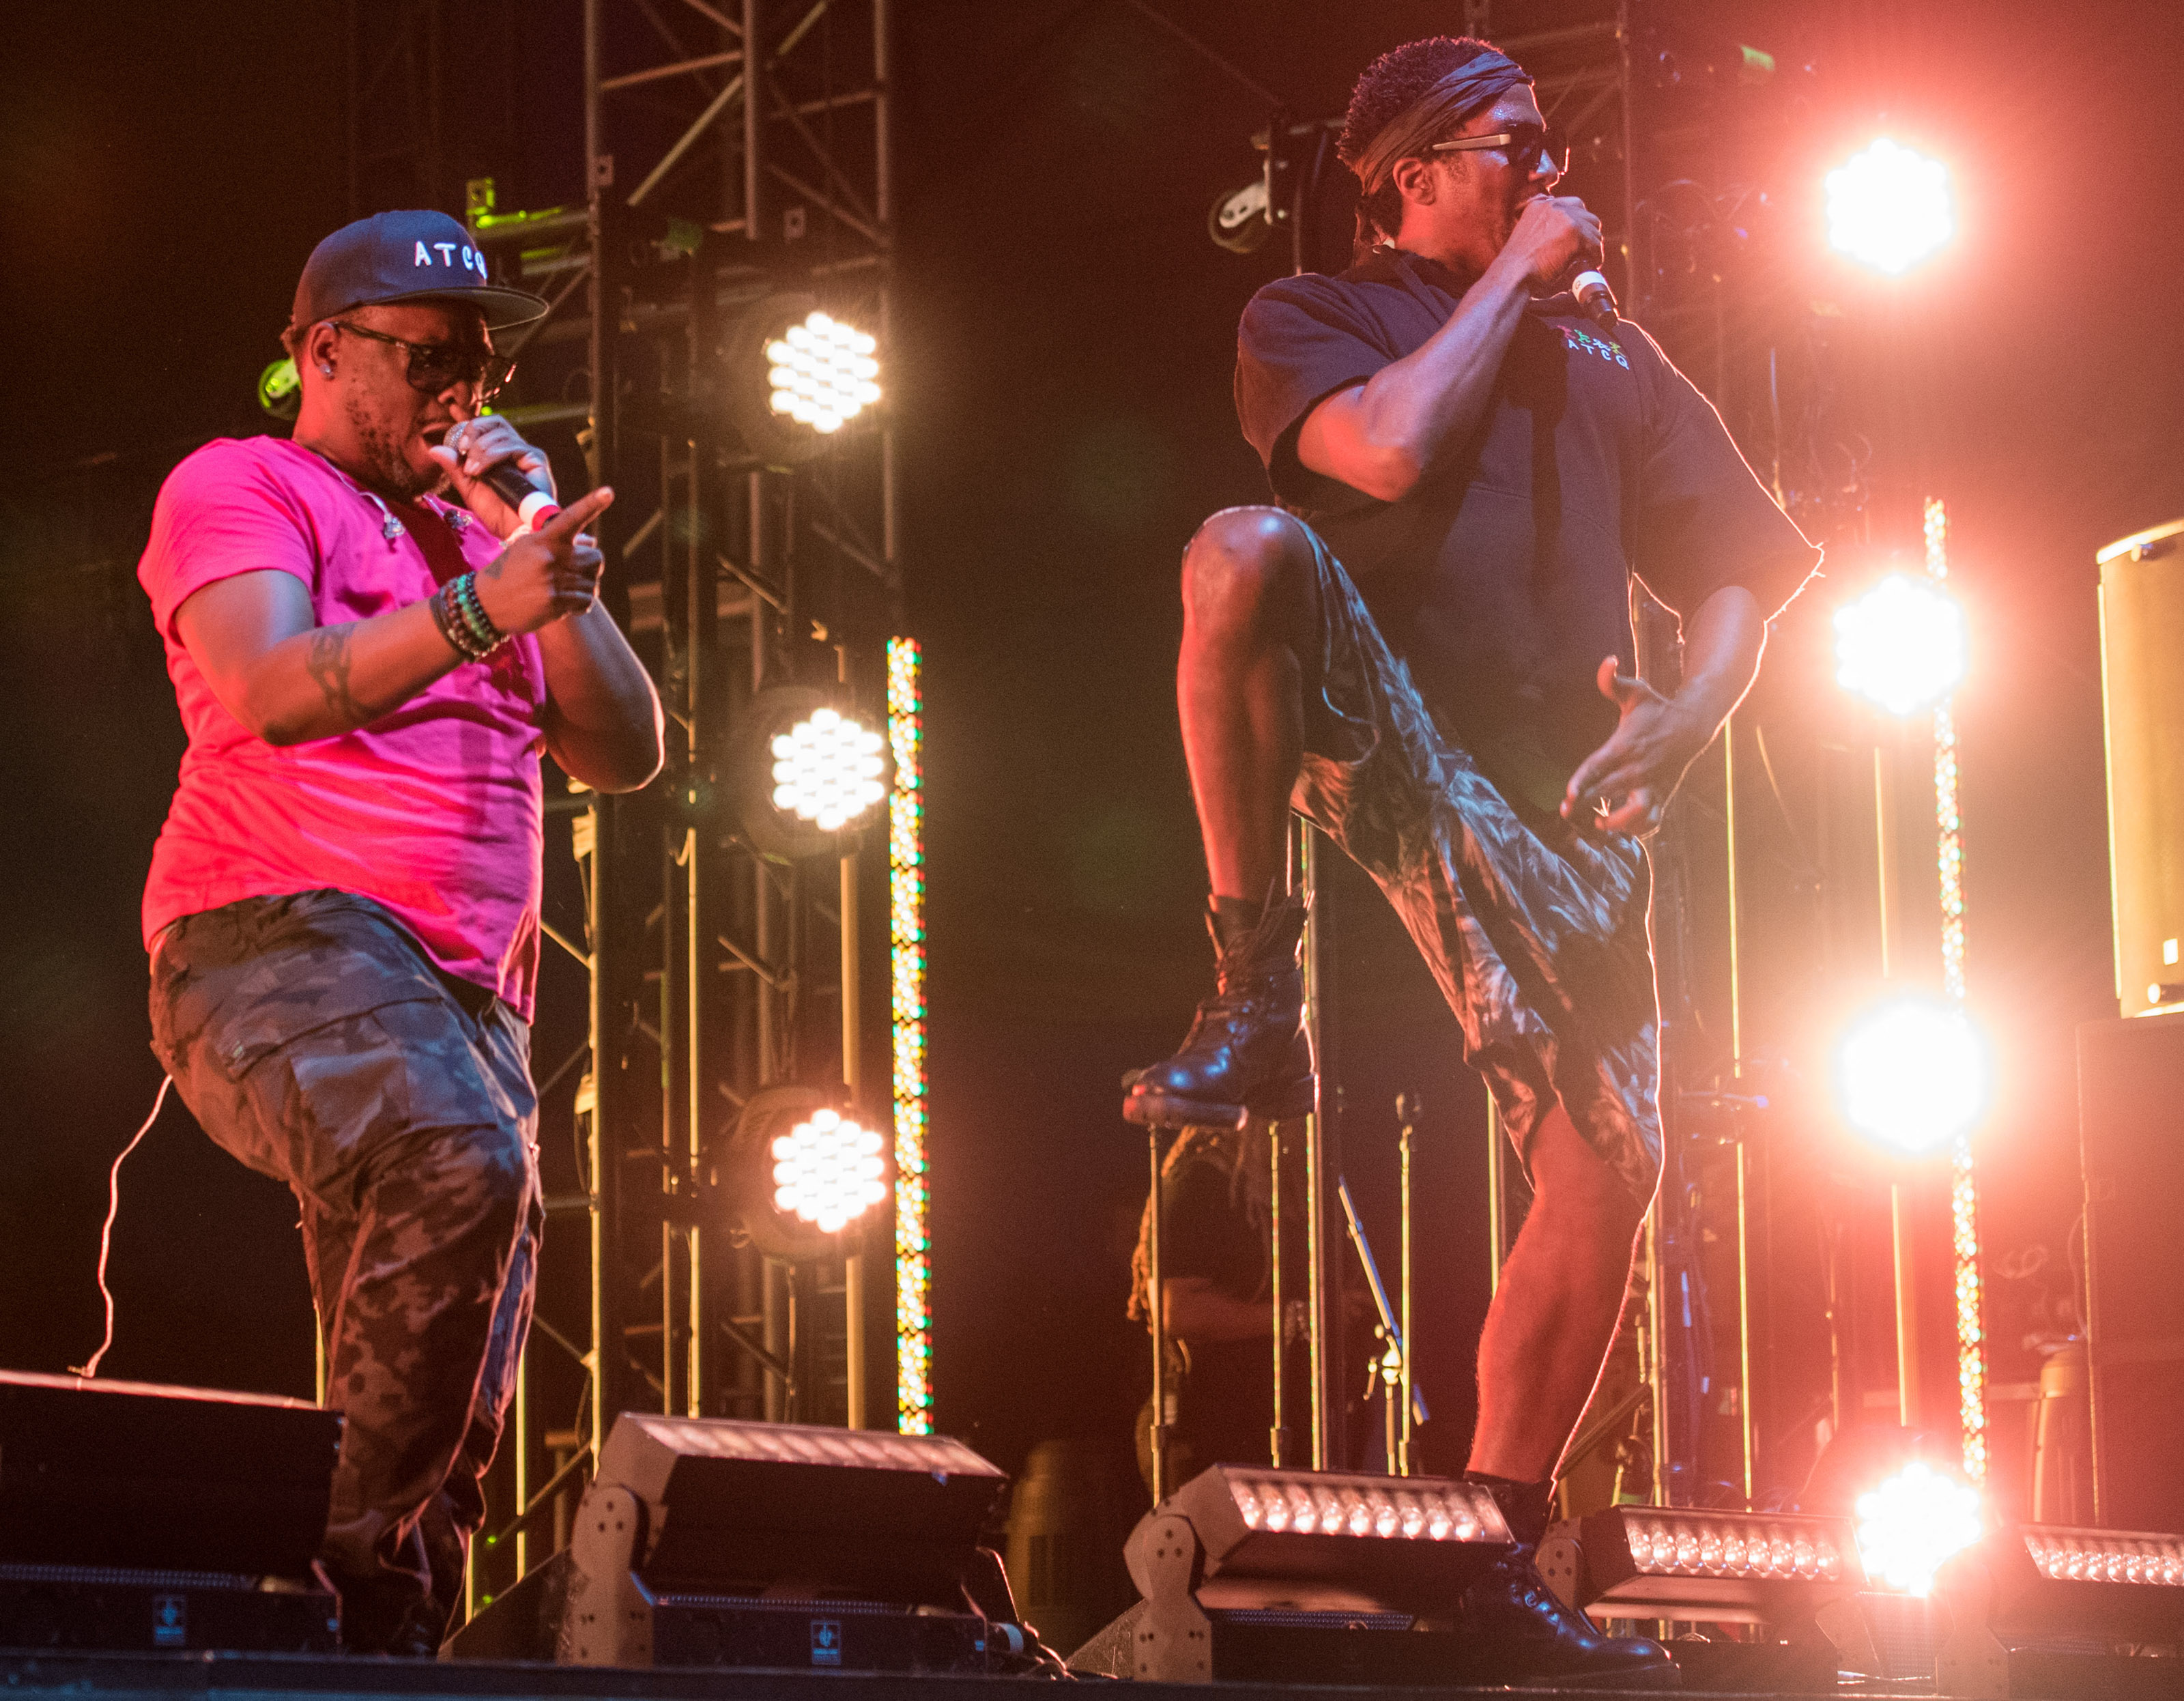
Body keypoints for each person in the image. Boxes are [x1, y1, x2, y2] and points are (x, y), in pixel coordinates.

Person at [1123, 36, 1818, 1685]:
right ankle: (1253, 990)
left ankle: (1494, 1543)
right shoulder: (1317, 314)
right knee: (1241, 546)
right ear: (1413, 173)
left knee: (1613, 1161)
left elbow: (1745, 565)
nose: (1550, 172)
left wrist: (1691, 714)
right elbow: (1379, 456)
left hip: (1556, 782)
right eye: (1515, 145)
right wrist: (1514, 275)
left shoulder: (1613, 353)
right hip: (1386, 717)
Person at [136, 210, 663, 1655]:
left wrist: (532, 554)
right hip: (271, 939)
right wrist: (479, 607)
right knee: (459, 1158)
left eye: (483, 367)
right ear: (325, 350)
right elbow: (273, 687)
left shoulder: (480, 536)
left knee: (460, 1317)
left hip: (467, 989)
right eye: (429, 359)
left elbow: (626, 751)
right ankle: (342, 1584)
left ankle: (385, 1635)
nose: (462, 392)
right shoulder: (243, 481)